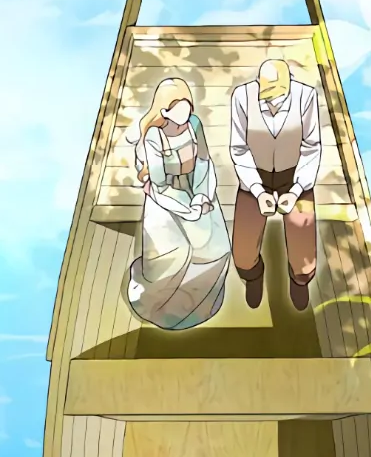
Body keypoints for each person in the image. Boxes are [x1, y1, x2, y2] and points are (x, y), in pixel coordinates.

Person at [126, 77, 231, 330]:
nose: (184, 113)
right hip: (166, 198)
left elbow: (204, 161)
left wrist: (203, 196)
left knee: (216, 247)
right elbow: (160, 184)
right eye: (177, 107)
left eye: (187, 105)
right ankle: (164, 307)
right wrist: (186, 209)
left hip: (196, 189)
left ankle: (200, 302)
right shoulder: (154, 136)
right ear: (164, 111)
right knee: (172, 254)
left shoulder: (194, 124)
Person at [229, 59, 321, 311]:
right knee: (242, 254)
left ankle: (300, 281)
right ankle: (253, 276)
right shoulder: (241, 97)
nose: (272, 103)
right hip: (254, 177)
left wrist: (296, 190)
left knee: (304, 255)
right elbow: (238, 148)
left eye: (278, 96)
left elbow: (311, 146)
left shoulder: (306, 96)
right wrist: (258, 191)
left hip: (295, 176)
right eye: (267, 95)